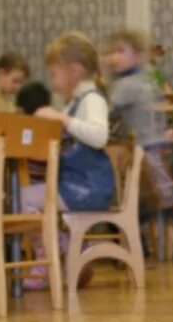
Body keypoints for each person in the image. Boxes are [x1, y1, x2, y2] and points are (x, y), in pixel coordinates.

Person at [21, 33, 114, 288]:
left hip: (86, 189)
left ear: (73, 71)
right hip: (77, 186)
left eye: (53, 74)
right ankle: (73, 247)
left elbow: (99, 136)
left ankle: (48, 258)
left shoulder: (92, 100)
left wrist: (62, 120)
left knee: (21, 198)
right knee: (21, 196)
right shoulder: (74, 103)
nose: (52, 83)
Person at [106, 29, 173, 212]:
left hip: (145, 152)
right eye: (112, 52)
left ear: (139, 57)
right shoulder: (147, 79)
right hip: (160, 147)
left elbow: (106, 112)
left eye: (120, 52)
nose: (114, 58)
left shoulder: (126, 84)